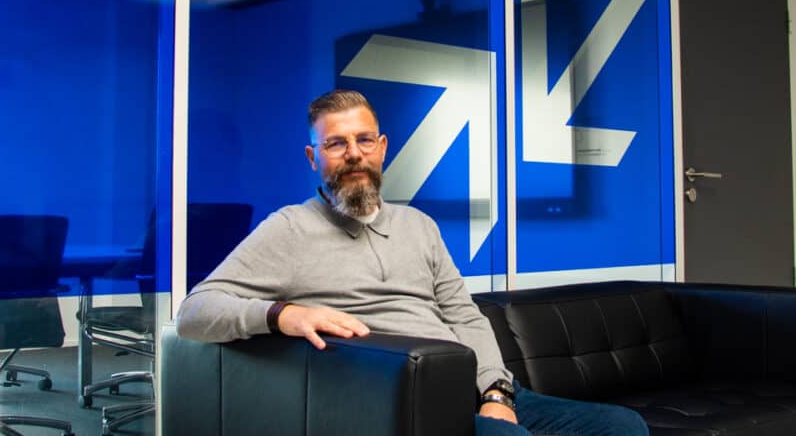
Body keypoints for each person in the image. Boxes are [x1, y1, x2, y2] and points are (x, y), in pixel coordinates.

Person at [177, 89, 648, 436]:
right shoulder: (289, 229)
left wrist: (496, 393)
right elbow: (194, 312)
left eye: (364, 140)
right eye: (336, 144)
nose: (354, 154)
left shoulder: (418, 225)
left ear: (382, 148)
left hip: (473, 386)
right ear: (312, 157)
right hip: (398, 402)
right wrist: (284, 315)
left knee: (623, 427)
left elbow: (464, 317)